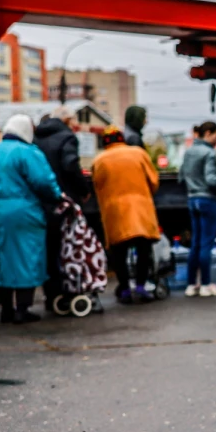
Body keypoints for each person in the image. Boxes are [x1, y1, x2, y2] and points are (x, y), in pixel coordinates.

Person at [0, 114, 63, 324]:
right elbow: (44, 182)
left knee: (2, 257)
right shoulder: (28, 152)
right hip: (25, 211)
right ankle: (22, 308)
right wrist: (57, 197)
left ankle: (5, 308)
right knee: (27, 256)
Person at [92, 127, 161, 303]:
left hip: (115, 211)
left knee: (118, 252)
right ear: (122, 139)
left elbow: (97, 186)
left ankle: (124, 289)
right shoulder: (138, 154)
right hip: (140, 208)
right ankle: (140, 286)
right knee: (144, 249)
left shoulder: (99, 160)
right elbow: (153, 181)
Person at [34, 107, 90, 312]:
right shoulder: (67, 138)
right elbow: (70, 165)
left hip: (42, 201)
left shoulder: (36, 138)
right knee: (68, 248)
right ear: (66, 120)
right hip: (64, 201)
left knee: (49, 249)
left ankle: (52, 294)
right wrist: (83, 188)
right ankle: (69, 291)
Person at [179, 121, 216, 297]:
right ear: (208, 133)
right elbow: (212, 179)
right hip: (208, 199)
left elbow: (181, 176)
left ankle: (192, 284)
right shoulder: (209, 153)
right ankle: (206, 284)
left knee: (196, 243)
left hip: (192, 199)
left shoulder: (189, 151)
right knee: (207, 243)